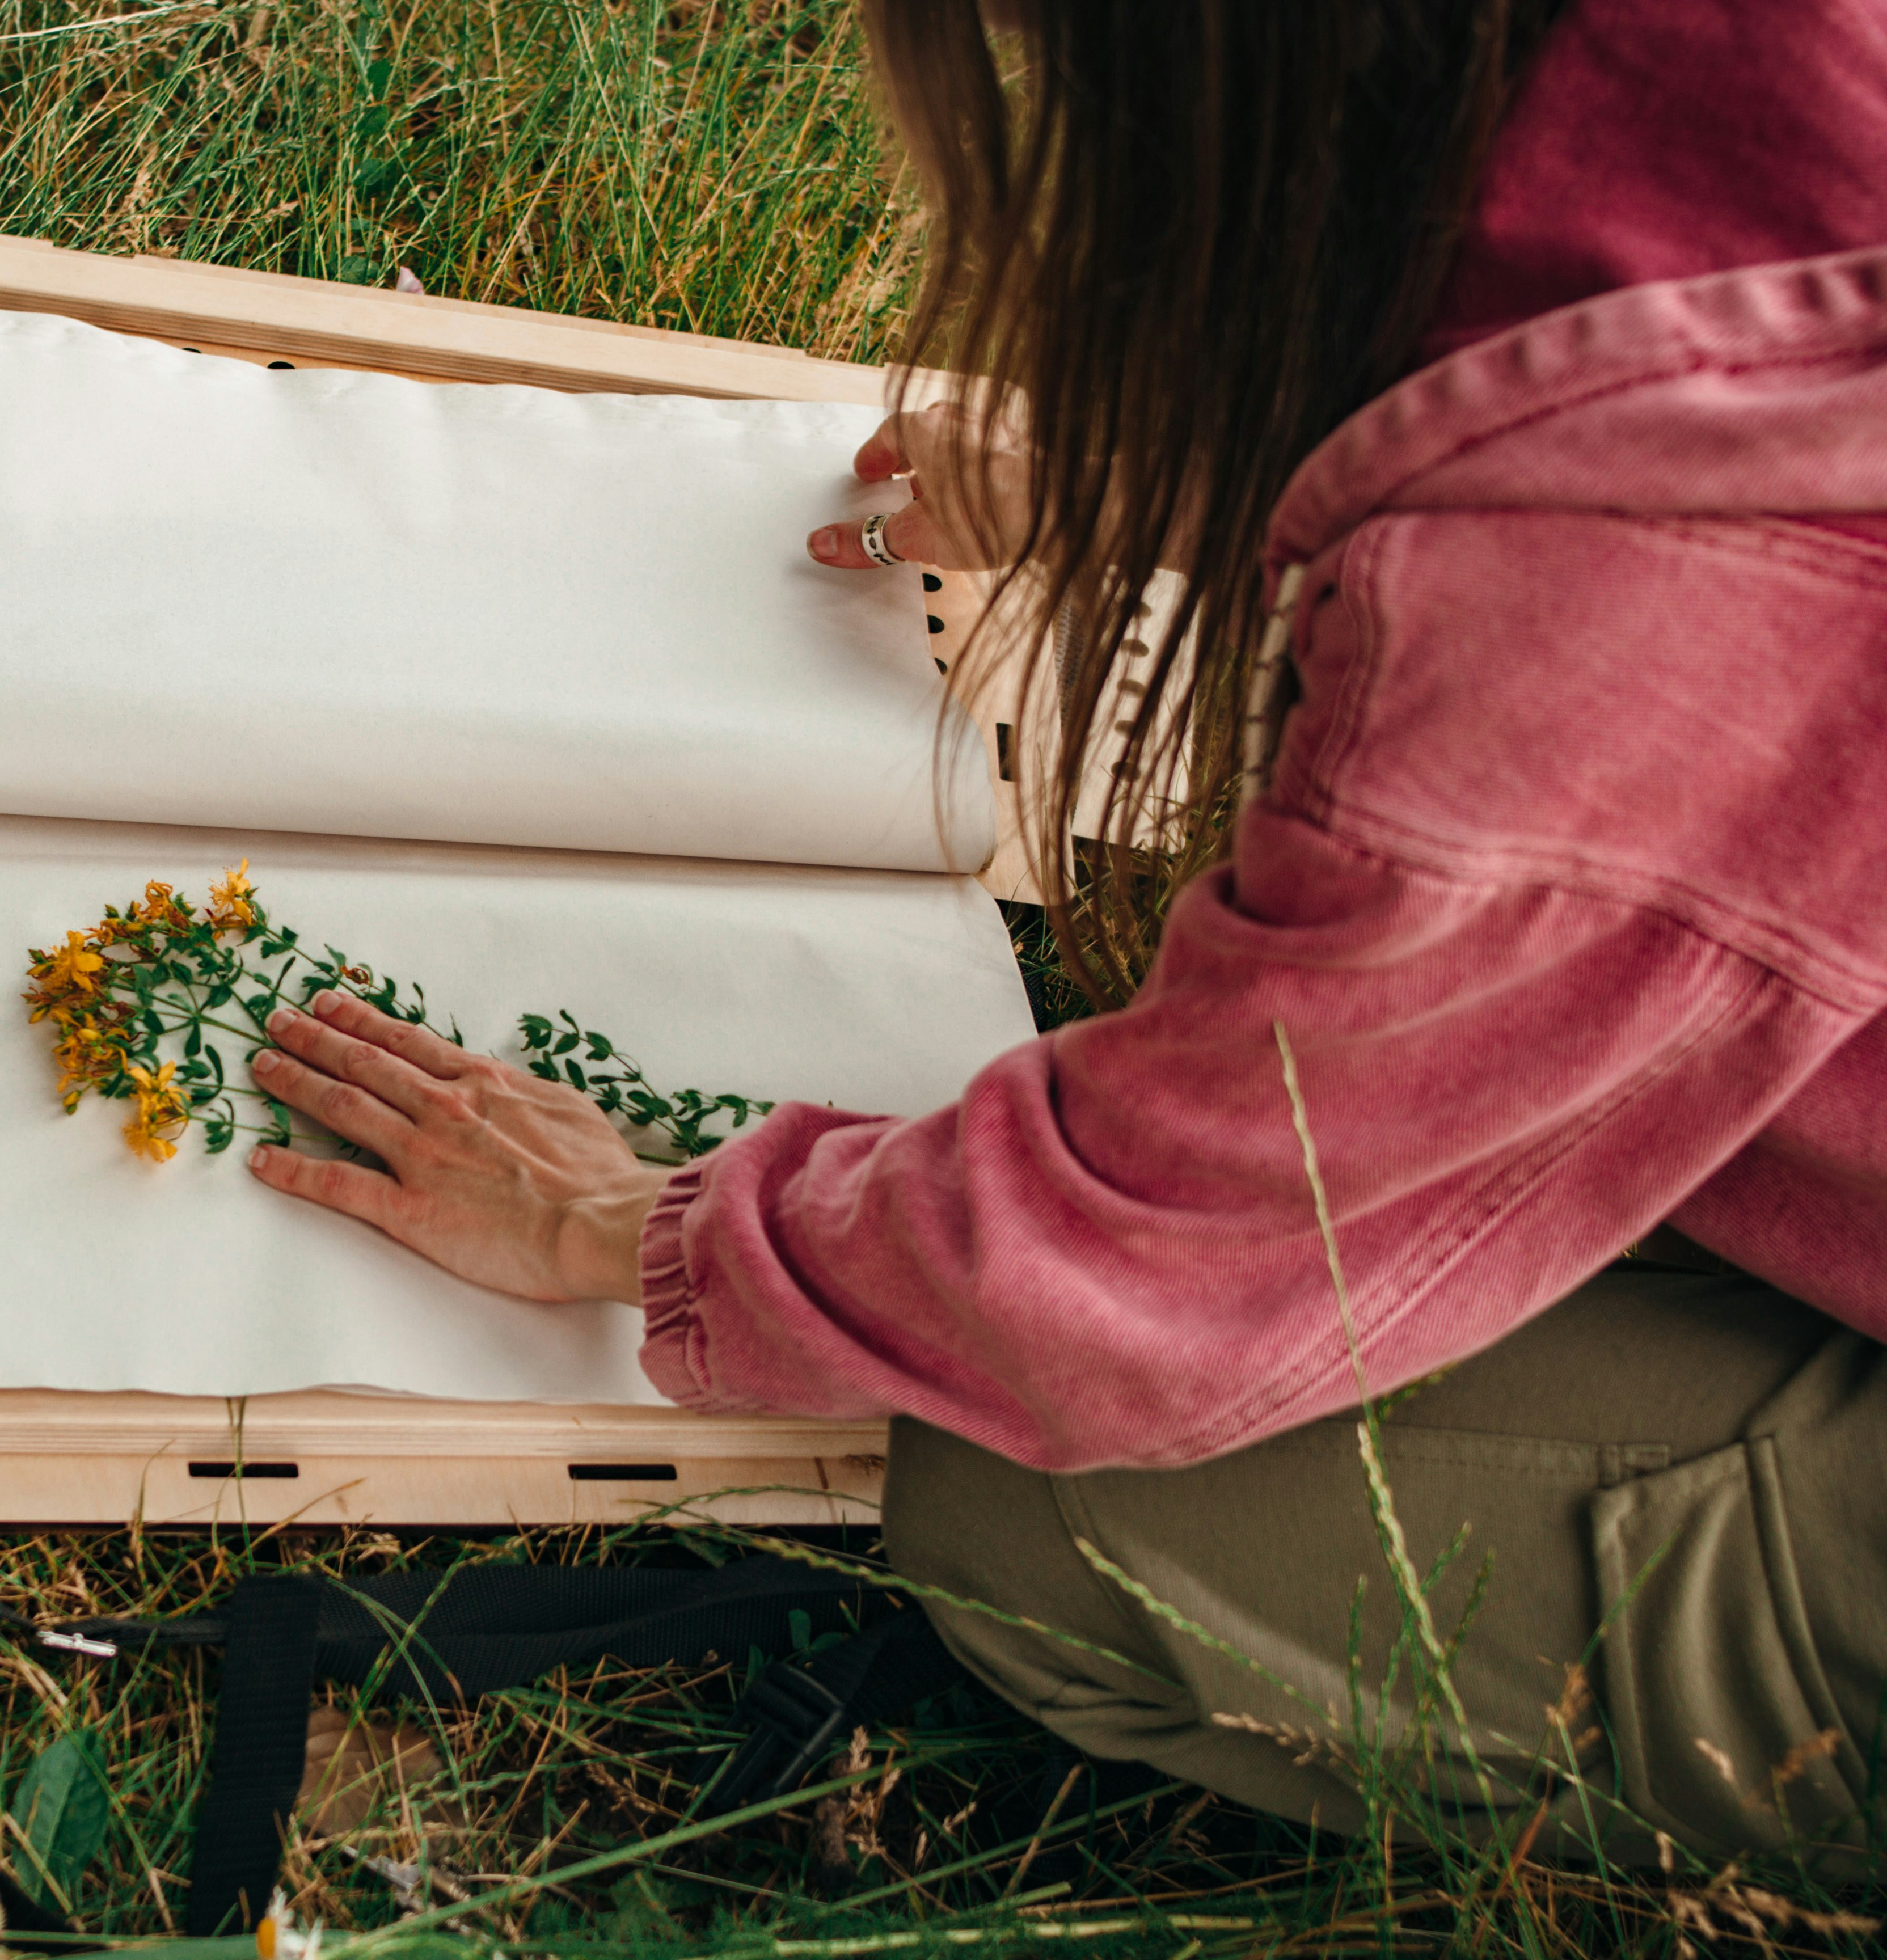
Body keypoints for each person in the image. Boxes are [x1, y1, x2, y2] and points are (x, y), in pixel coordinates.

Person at [237, 0, 1887, 1873]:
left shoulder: (1603, 637)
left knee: (1028, 1512)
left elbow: (1139, 1293)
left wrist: (628, 1220)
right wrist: (1217, 475)